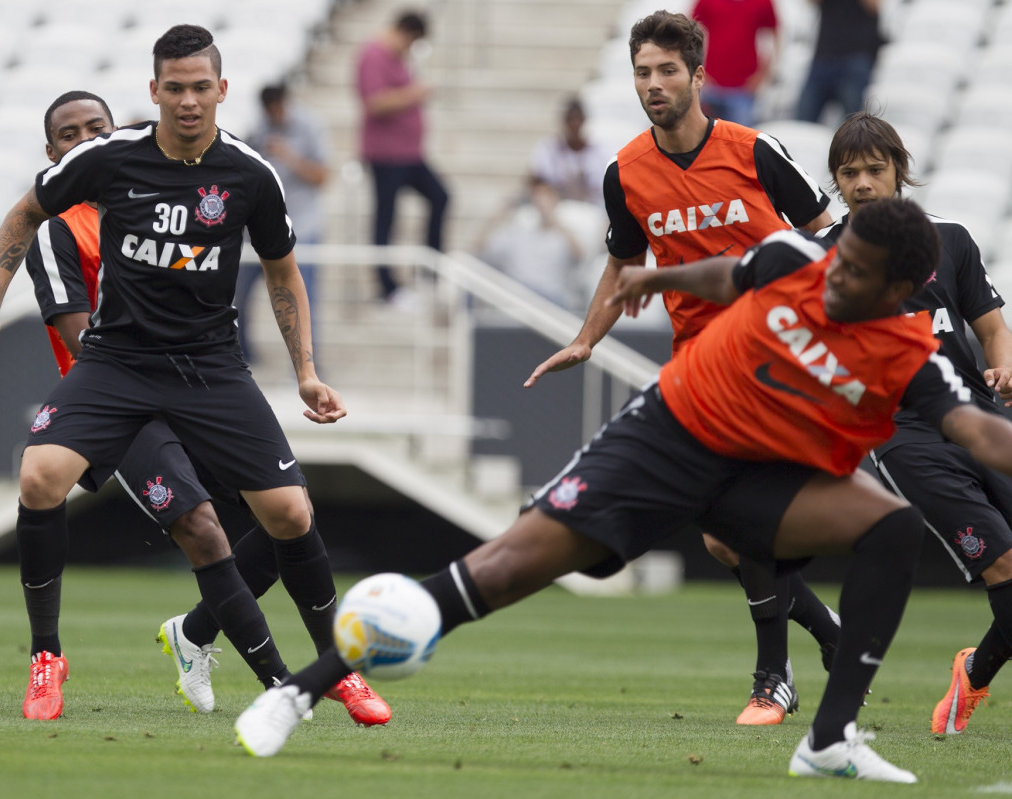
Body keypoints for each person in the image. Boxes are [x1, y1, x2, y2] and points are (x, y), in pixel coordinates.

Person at [237, 197, 1012, 783]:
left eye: (856, 272)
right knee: (503, 569)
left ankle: (828, 740)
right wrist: (655, 274)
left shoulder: (914, 352)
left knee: (893, 525)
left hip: (764, 477)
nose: (834, 272)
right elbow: (728, 274)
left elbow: (979, 431)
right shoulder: (791, 257)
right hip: (666, 440)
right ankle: (297, 694)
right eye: (838, 256)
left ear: (906, 288)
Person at [0, 25, 388, 727]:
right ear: (154, 92)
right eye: (174, 88)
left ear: (222, 90)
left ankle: (335, 671)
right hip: (117, 364)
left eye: (200, 87)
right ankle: (46, 656)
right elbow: (24, 213)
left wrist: (307, 371)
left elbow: (283, 274)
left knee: (291, 514)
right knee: (39, 476)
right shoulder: (108, 160)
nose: (188, 101)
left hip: (211, 368)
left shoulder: (249, 174)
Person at [537, 9, 842, 726]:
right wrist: (586, 338)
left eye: (667, 70)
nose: (653, 83)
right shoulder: (626, 172)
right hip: (700, 367)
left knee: (742, 521)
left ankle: (775, 678)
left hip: (775, 356)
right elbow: (622, 262)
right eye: (642, 72)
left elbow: (828, 235)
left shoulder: (755, 150)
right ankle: (829, 637)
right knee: (720, 535)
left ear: (699, 76)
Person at [818, 112, 1012, 736]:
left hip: (978, 416)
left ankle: (975, 672)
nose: (864, 183)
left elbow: (991, 329)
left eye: (876, 169)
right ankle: (976, 676)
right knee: (1006, 568)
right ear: (837, 184)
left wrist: (1004, 368)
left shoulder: (950, 240)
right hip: (906, 436)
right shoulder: (821, 259)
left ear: (900, 170)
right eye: (850, 173)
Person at [356, 9, 450, 304]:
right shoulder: (373, 54)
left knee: (440, 197)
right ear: (406, 34)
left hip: (408, 154)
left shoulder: (397, 59)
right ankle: (387, 287)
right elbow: (375, 102)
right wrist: (416, 93)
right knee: (386, 218)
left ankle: (430, 271)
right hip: (386, 155)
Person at [239, 83, 329, 364]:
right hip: (259, 231)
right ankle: (242, 358)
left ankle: (307, 366)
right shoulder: (256, 130)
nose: (275, 115)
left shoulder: (310, 126)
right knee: (236, 297)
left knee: (304, 302)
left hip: (303, 229)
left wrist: (290, 156)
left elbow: (322, 176)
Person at [477, 176, 587, 309]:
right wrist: (501, 211)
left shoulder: (564, 237)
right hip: (519, 298)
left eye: (546, 196)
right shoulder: (517, 232)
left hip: (551, 299)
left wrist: (553, 221)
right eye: (537, 197)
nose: (541, 202)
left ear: (555, 200)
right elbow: (480, 248)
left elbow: (581, 256)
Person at [691, 0, 778, 127]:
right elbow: (691, 33)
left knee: (740, 142)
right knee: (706, 140)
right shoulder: (706, 2)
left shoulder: (762, 3)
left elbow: (771, 39)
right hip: (710, 86)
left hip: (743, 90)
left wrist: (762, 75)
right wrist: (697, 70)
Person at [795, 0, 882, 125]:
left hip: (855, 58)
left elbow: (874, 7)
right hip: (824, 56)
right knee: (803, 122)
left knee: (855, 128)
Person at [529, 97, 614, 206]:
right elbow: (535, 179)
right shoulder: (550, 148)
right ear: (564, 121)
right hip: (558, 207)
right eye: (570, 120)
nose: (574, 124)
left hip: (594, 207)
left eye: (577, 119)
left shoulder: (600, 150)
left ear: (584, 120)